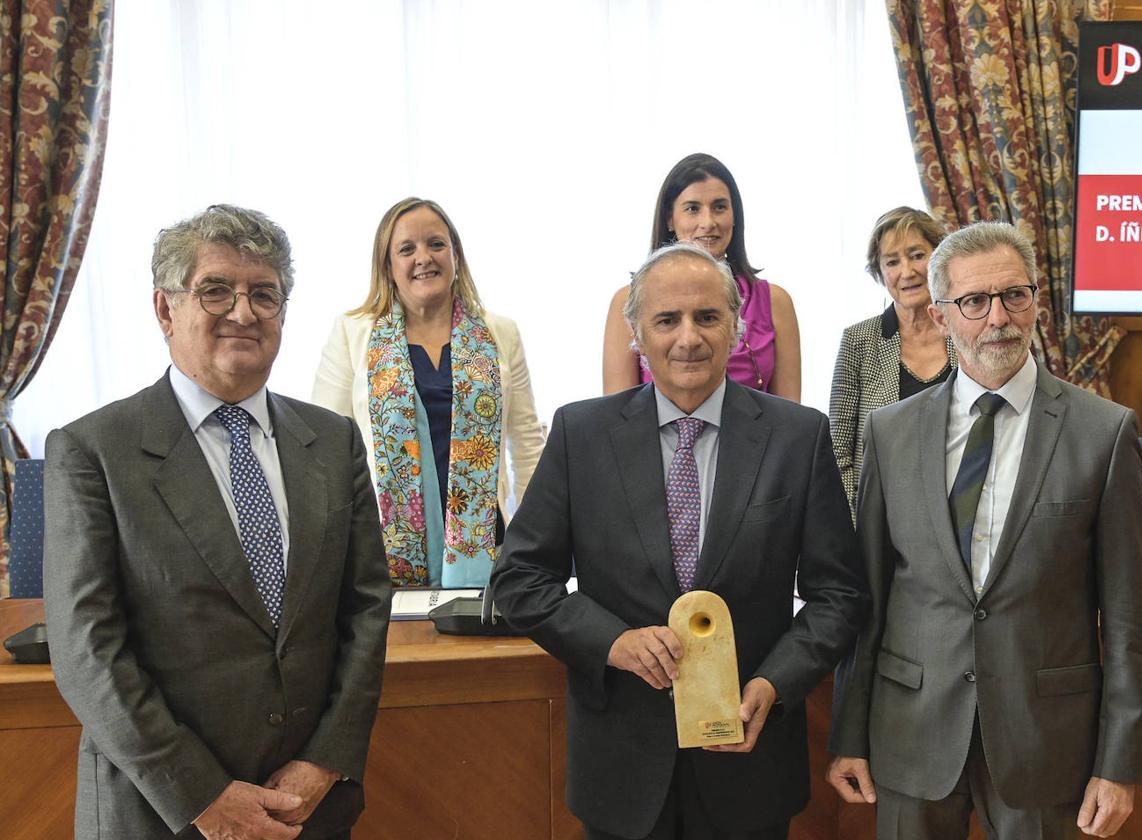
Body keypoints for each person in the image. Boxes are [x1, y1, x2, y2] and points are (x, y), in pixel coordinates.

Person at [492, 241, 867, 840]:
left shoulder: (797, 438)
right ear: (637, 333)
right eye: (666, 320)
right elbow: (519, 581)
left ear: (737, 328)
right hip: (622, 764)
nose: (687, 338)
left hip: (752, 763)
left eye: (707, 317)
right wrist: (612, 642)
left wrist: (774, 683)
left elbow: (838, 596)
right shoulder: (580, 435)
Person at [42, 205, 393, 840]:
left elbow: (366, 607)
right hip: (163, 810)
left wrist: (323, 762)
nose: (244, 311)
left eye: (265, 294)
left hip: (305, 807)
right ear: (164, 309)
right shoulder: (93, 450)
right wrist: (201, 794)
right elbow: (86, 648)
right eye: (215, 290)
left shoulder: (333, 441)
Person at [827, 222, 1142, 840]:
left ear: (1035, 301)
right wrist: (849, 734)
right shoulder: (888, 434)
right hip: (911, 735)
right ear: (942, 315)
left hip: (1046, 745)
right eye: (975, 302)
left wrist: (1120, 764)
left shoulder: (1103, 434)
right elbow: (866, 603)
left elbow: (1129, 620)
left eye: (1015, 295)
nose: (998, 318)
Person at [313, 197, 544, 588]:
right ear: (388, 265)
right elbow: (326, 452)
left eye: (436, 244)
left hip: (490, 546)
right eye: (407, 248)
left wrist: (535, 542)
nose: (424, 258)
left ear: (455, 254)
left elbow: (526, 446)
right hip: (382, 550)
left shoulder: (500, 333)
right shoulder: (353, 333)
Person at [602, 152, 802, 401]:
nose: (708, 222)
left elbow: (791, 422)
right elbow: (618, 417)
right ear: (670, 219)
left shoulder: (774, 302)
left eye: (719, 207)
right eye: (693, 209)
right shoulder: (628, 300)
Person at [829, 206, 955, 513]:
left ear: (938, 258)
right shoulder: (858, 341)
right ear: (879, 272)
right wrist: (856, 526)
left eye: (916, 255)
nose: (907, 272)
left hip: (956, 512)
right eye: (892, 262)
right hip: (880, 515)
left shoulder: (964, 332)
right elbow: (838, 452)